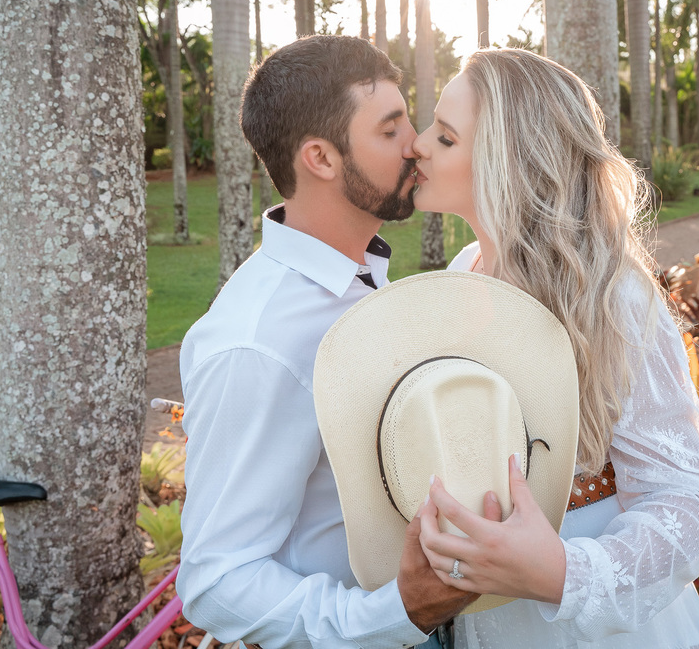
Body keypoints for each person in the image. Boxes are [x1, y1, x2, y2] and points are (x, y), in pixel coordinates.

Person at [409, 47, 699, 649]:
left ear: (508, 162)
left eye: (446, 138)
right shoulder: (463, 270)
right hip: (487, 612)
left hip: (593, 622)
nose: (418, 145)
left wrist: (560, 575)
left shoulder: (615, 296)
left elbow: (688, 501)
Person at [177, 35, 476, 648]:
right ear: (321, 158)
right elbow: (217, 580)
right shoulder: (257, 342)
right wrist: (399, 613)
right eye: (390, 130)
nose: (416, 144)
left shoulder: (362, 277)